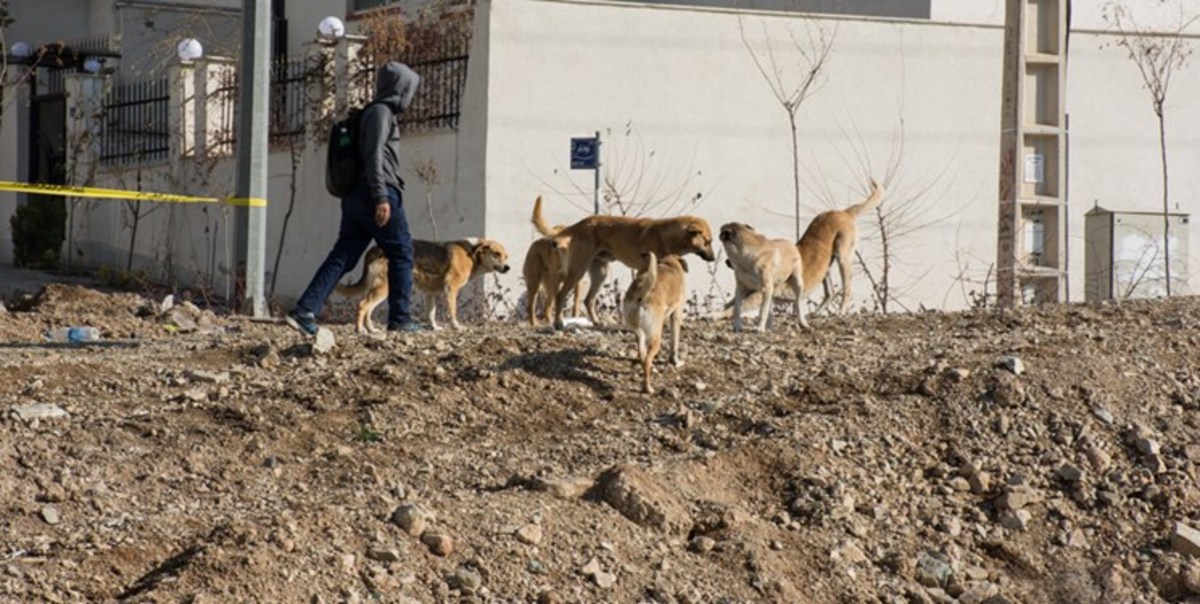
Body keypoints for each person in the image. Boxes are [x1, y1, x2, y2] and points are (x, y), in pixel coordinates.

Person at [287, 62, 424, 335]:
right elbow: (372, 156)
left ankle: (304, 310)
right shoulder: (381, 113)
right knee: (402, 252)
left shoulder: (369, 113)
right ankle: (400, 319)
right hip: (377, 191)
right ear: (401, 88)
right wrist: (381, 196)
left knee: (344, 255)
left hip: (355, 195)